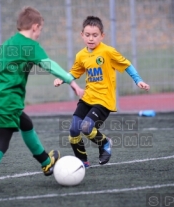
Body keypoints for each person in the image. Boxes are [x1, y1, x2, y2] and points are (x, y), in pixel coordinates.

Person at [0, 6, 84, 195]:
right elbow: (49, 64)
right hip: (7, 100)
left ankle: (46, 163)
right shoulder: (30, 46)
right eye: (40, 30)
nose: (39, 34)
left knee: (26, 123)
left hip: (0, 96)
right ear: (35, 27)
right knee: (1, 144)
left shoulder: (9, 43)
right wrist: (72, 82)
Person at [54, 16, 150, 168]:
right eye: (87, 35)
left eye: (95, 35)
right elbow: (74, 72)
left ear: (102, 36)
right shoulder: (81, 55)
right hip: (87, 97)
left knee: (86, 127)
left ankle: (104, 142)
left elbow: (126, 65)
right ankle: (82, 161)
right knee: (73, 130)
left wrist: (138, 80)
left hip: (103, 100)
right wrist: (63, 78)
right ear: (82, 35)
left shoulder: (108, 52)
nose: (91, 38)